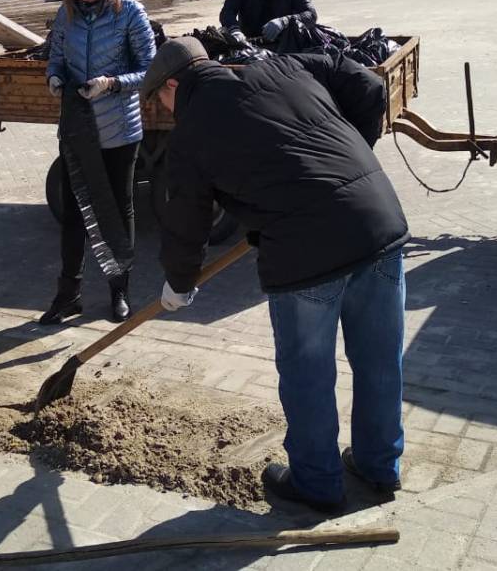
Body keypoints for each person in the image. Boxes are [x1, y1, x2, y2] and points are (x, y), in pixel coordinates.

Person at [142, 37, 410, 514]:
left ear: (174, 85)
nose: (164, 108)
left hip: (306, 257)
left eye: (159, 98)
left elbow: (187, 221)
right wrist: (349, 164)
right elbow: (369, 85)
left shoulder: (190, 134)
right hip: (378, 227)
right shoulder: (285, 67)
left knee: (308, 376)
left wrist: (179, 284)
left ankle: (317, 482)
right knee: (379, 360)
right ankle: (379, 464)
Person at [41, 0, 156, 325]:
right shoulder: (66, 15)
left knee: (118, 212)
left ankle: (119, 291)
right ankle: (67, 294)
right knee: (74, 212)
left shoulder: (130, 13)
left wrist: (112, 83)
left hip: (120, 128)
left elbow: (150, 69)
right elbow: (55, 58)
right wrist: (55, 77)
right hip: (77, 127)